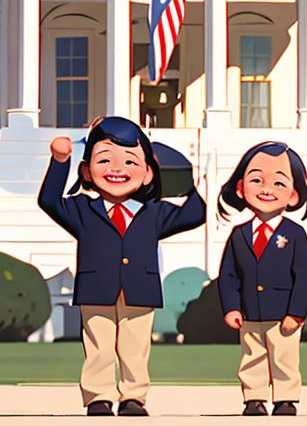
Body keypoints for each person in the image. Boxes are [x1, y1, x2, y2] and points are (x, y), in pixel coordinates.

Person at [39, 116, 206, 416]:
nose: (117, 170)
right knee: (97, 346)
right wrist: (59, 161)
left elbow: (194, 215)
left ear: (147, 174)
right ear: (87, 171)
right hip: (95, 287)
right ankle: (98, 396)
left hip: (139, 289)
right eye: (104, 160)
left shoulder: (154, 212)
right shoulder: (81, 209)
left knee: (135, 348)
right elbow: (49, 201)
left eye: (130, 162)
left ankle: (134, 396)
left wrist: (189, 184)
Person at [217, 142, 307, 417]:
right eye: (257, 180)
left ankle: (286, 398)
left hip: (283, 312)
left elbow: (304, 276)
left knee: (284, 356)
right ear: (241, 188)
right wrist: (231, 307)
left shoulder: (295, 234)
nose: (266, 189)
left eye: (278, 183)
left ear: (294, 195)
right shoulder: (239, 235)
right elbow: (228, 275)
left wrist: (296, 312)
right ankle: (254, 397)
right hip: (249, 312)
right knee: (252, 356)